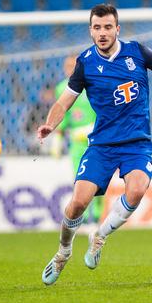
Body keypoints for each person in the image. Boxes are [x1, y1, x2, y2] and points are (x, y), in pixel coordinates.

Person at [38, 4, 152, 285]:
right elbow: (64, 101)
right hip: (102, 145)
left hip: (136, 143)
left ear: (117, 29)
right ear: (90, 31)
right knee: (78, 204)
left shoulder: (137, 52)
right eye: (97, 27)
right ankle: (63, 252)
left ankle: (100, 236)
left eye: (108, 27)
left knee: (136, 191)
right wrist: (51, 124)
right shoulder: (85, 63)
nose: (102, 32)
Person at [50, 55, 104, 224]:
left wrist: (94, 128)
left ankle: (95, 218)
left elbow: (103, 111)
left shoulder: (93, 85)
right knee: (80, 181)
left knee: (97, 181)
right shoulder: (61, 88)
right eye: (67, 65)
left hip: (97, 141)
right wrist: (57, 138)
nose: (70, 68)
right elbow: (62, 113)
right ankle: (86, 219)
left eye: (73, 65)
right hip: (76, 143)